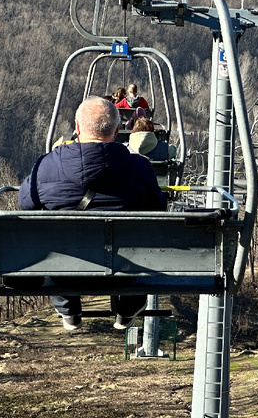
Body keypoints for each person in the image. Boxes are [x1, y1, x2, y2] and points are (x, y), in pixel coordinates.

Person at [19, 96, 166, 330]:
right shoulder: (140, 167)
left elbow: (26, 205)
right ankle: (128, 306)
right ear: (117, 130)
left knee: (58, 246)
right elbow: (159, 209)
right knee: (137, 244)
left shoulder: (46, 165)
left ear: (77, 128)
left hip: (68, 266)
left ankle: (68, 307)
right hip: (123, 267)